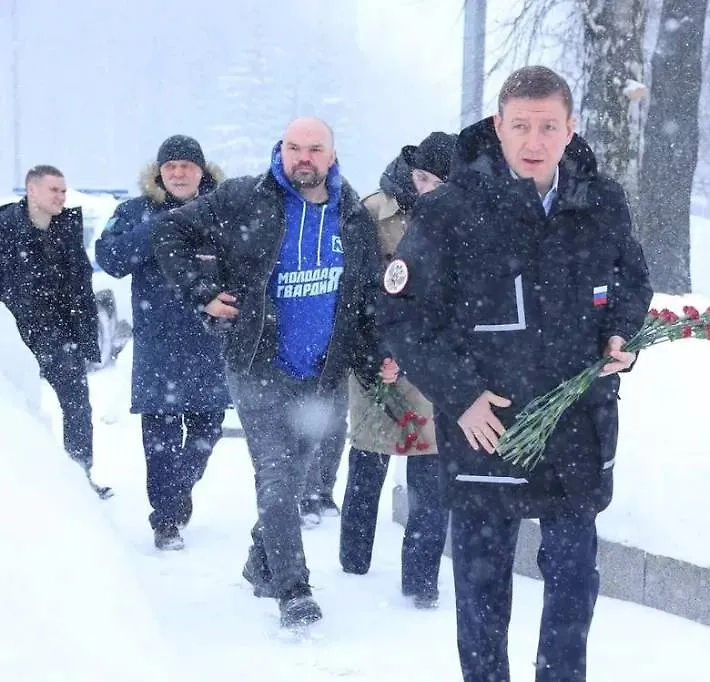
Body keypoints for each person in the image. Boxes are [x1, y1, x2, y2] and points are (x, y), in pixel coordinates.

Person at [378, 66, 653, 681]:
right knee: (482, 593)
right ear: (498, 127)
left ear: (570, 127)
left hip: (577, 426)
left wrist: (622, 336)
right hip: (489, 431)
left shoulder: (601, 202)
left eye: (549, 126)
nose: (535, 141)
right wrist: (462, 397)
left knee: (574, 589)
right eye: (522, 126)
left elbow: (632, 282)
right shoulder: (451, 211)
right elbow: (401, 317)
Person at [151, 117, 398, 628]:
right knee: (279, 477)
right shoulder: (246, 197)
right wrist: (203, 293)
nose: (303, 157)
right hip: (258, 364)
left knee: (299, 474)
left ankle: (258, 560)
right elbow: (169, 231)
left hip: (323, 373)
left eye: (314, 149)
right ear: (281, 150)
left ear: (332, 155)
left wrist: (377, 358)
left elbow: (367, 299)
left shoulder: (351, 215)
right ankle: (293, 590)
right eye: (293, 147)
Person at [329, 132, 456, 610]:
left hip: (431, 361)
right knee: (369, 460)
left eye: (442, 182)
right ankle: (354, 565)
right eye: (425, 179)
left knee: (430, 467)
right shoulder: (371, 212)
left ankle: (422, 581)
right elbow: (358, 290)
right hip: (376, 358)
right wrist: (374, 355)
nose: (431, 189)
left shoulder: (460, 214)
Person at [96, 135, 231, 551]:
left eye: (186, 166)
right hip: (158, 348)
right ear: (158, 172)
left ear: (201, 172)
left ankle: (178, 493)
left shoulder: (221, 212)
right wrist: (157, 228)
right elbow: (111, 259)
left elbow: (248, 262)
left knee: (208, 431)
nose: (177, 173)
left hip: (210, 344)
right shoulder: (135, 212)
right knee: (160, 444)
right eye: (170, 166)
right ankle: (166, 520)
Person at [0, 165, 111, 499]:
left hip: (60, 335)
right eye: (54, 190)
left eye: (63, 191)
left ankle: (80, 476)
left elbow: (80, 287)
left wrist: (85, 335)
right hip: (15, 335)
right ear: (31, 191)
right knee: (18, 408)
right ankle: (20, 481)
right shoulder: (6, 227)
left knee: (77, 405)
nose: (61, 197)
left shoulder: (66, 227)